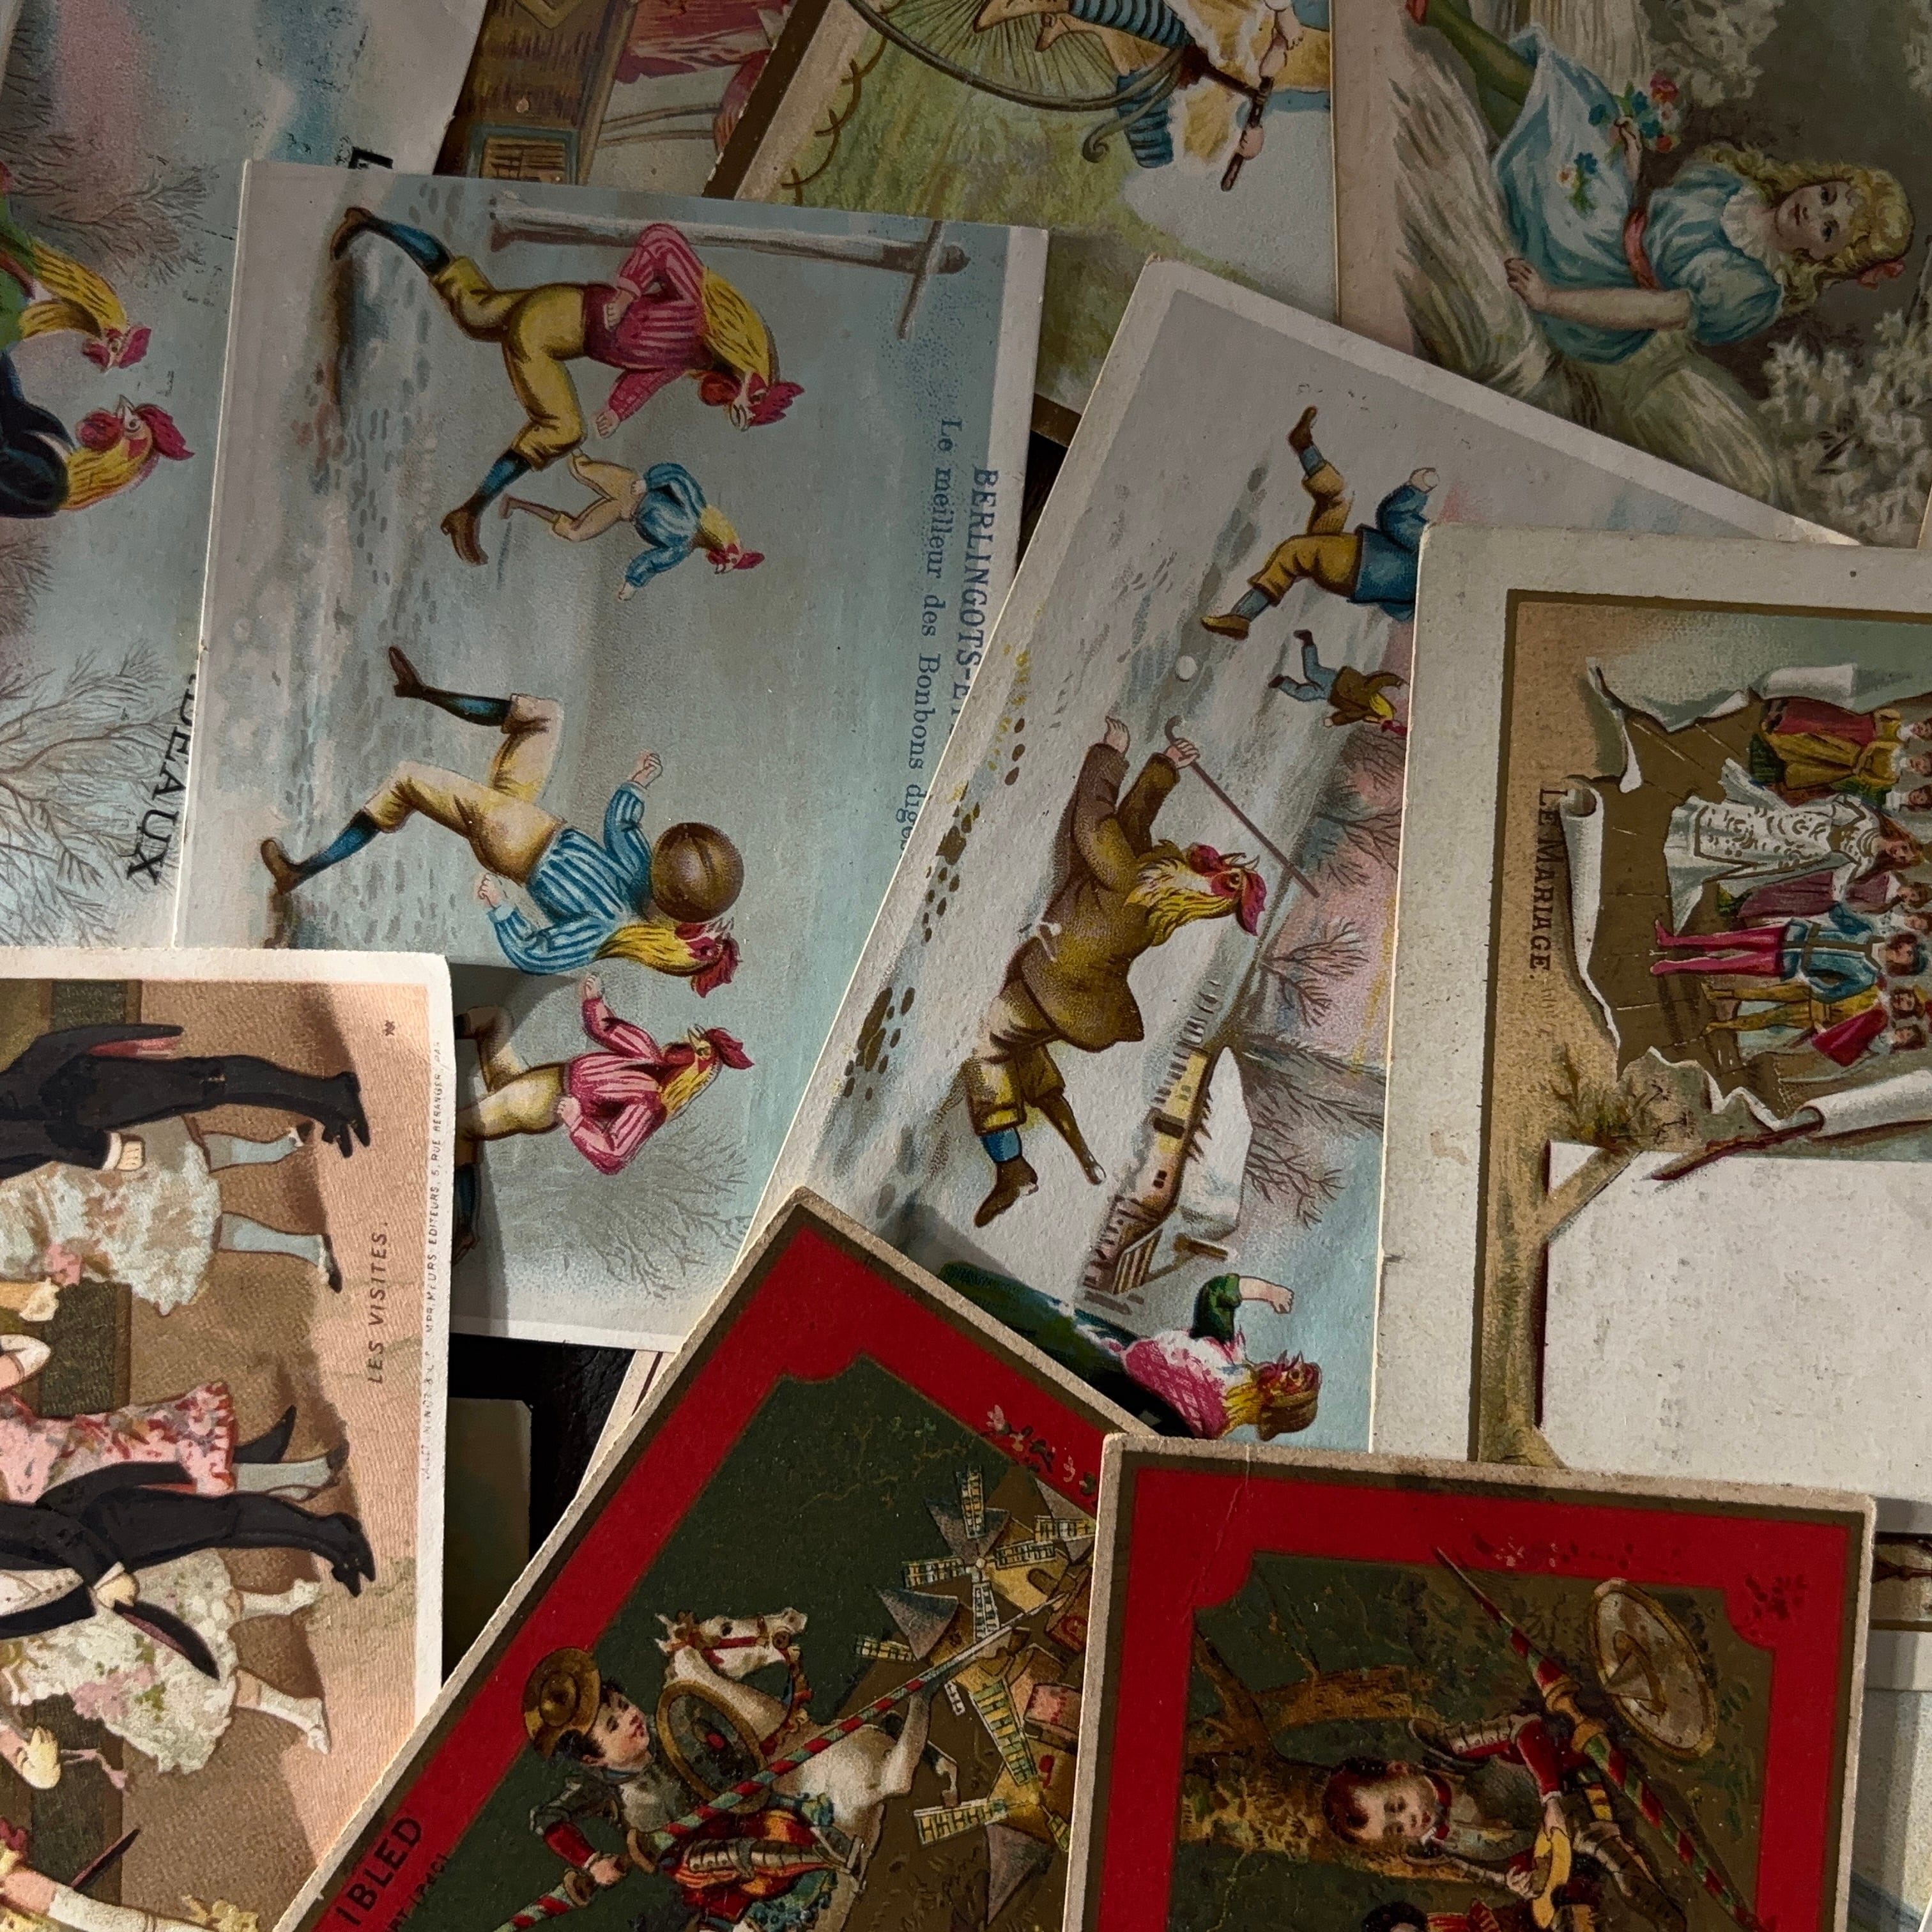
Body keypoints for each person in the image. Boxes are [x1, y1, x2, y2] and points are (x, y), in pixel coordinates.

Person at [1404, 0, 1911, 366]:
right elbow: (1650, 222)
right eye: (1827, 196)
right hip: (1617, 226)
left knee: (1560, 111)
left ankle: (1445, 15)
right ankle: (1451, 19)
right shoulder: (1741, 189)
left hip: (1595, 280)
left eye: (1829, 229)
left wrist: (1547, 299)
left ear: (1824, 259)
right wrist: (1630, 171)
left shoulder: (1752, 292)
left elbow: (1652, 307)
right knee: (1584, 106)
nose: (1814, 210)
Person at [330, 211, 801, 565]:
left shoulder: (693, 354)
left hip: (557, 311)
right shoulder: (697, 306)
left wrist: (618, 409)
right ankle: (470, 511)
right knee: (563, 429)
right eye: (748, 399)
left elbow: (649, 376)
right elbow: (663, 240)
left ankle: (369, 223)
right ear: (746, 366)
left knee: (472, 307)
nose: (732, 405)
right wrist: (628, 291)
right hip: (558, 327)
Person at [261, 652, 742, 986]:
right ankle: (420, 690)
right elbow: (622, 830)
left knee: (408, 779)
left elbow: (537, 953)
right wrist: (635, 785)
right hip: (529, 820)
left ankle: (299, 871)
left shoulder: (609, 929)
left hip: (514, 840)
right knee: (546, 717)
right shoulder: (646, 890)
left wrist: (501, 908)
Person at [960, 716, 1265, 1226]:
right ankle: (1056, 1115)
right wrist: (1164, 768)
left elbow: (1094, 826)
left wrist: (1111, 754)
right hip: (1074, 1002)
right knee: (1022, 1047)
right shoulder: (1152, 895)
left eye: (1220, 869)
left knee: (987, 1047)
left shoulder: (1131, 881)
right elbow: (1131, 830)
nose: (1211, 859)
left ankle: (1011, 1166)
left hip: (1055, 992)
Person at [523, 1647, 843, 1932]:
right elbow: (548, 1818)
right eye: (613, 1725)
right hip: (689, 1856)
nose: (629, 1717)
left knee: (784, 1825)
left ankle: (825, 1849)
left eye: (623, 1705)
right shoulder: (596, 1787)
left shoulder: (670, 1723)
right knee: (732, 1858)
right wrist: (592, 1862)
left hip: (732, 1814)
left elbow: (724, 1747)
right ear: (593, 1759)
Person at [450, 985, 750, 1255]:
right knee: (494, 1020)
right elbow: (606, 1028)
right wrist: (594, 1002)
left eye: (693, 1050)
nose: (682, 1045)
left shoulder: (650, 1103)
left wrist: (577, 1121)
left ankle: (464, 1227)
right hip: (536, 1080)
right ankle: (428, 1027)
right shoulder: (647, 1052)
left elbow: (614, 1153)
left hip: (539, 1100)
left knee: (460, 1128)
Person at [1322, 1715, 1680, 1932]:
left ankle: (1652, 1902)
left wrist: (1550, 1796)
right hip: (1554, 1844)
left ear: (1400, 1770)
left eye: (1398, 1806)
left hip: (1566, 1776)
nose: (1410, 1819)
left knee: (1597, 1845)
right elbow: (1499, 1866)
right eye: (1397, 1829)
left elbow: (1525, 1730)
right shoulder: (1444, 1846)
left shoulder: (1452, 1753)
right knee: (1562, 1914)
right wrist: (1516, 1880)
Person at [0, 1119, 345, 1316]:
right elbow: (26, 1277)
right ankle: (308, 1247)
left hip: (65, 1188)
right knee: (187, 1235)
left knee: (174, 1160)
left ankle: (273, 1150)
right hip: (82, 1239)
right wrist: (55, 1273)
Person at [941, 1264, 1320, 1438]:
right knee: (1030, 1311)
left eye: (1294, 1379)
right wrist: (1266, 1292)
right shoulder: (1228, 1355)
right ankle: (951, 1285)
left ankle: (942, 1309)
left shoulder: (1207, 1428)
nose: (1287, 1367)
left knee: (1015, 1344)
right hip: (1110, 1345)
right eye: (1295, 1368)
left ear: (1280, 1405)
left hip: (1097, 1379)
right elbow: (1216, 1294)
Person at [0, 1024, 367, 1184]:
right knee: (203, 1092)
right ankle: (323, 1105)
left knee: (206, 1082)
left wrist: (104, 1154)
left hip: (73, 1091)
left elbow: (37, 1135)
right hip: (71, 1104)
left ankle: (334, 1093)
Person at [1202, 408, 1434, 637]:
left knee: (1294, 553)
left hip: (1351, 561)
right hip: (1349, 575)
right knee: (1337, 501)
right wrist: (1382, 588)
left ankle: (1243, 617)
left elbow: (1394, 518)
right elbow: (1402, 612)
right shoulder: (1434, 597)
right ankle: (1304, 445)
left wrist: (1417, 489)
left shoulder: (1432, 550)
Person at [1663, 762, 1920, 931]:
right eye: (1904, 849)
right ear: (1901, 837)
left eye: (1902, 858)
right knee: (1751, 825)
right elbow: (1834, 807)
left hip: (1801, 852)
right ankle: (1698, 820)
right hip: (1803, 824)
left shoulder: (1865, 862)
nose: (1898, 853)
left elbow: (1840, 880)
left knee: (1752, 849)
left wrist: (1837, 900)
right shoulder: (1869, 820)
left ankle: (1698, 853)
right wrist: (1806, 815)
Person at [502, 453, 761, 602]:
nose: (719, 565)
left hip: (624, 511)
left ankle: (517, 503)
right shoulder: (696, 511)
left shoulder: (682, 549)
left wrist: (632, 582)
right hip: (630, 487)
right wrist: (649, 482)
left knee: (575, 532)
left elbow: (652, 562)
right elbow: (677, 476)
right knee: (580, 468)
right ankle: (546, 437)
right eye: (726, 560)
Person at [1747, 696, 1909, 806]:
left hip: (1848, 767)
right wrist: (1864, 759)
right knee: (1815, 742)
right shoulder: (1896, 747)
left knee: (1815, 765)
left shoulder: (1892, 777)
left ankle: (1780, 759)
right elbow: (1874, 746)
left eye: (1918, 766)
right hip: (1851, 749)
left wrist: (1858, 768)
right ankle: (1778, 737)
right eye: (1919, 762)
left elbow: (1870, 779)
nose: (1917, 764)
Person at [1269, 629, 1406, 732]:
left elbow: (1348, 717)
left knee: (1304, 695)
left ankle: (1281, 682)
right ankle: (1308, 641)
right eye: (1386, 722)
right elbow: (1380, 680)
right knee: (1312, 672)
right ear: (1386, 715)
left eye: (1383, 725)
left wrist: (1334, 721)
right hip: (1337, 681)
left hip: (1330, 695)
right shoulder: (1370, 695)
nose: (1382, 723)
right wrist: (1397, 682)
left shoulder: (1364, 713)